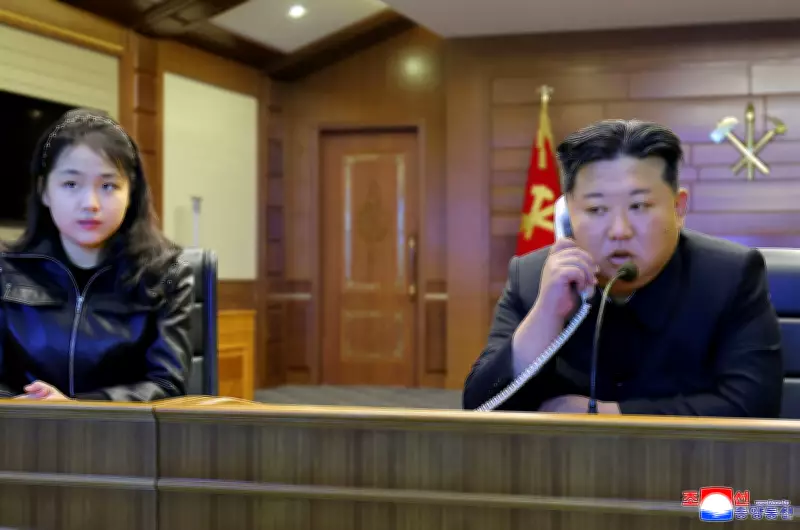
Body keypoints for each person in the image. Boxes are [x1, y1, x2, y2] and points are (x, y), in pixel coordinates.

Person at [463, 119, 784, 418]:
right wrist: (545, 316)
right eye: (596, 209)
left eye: (639, 206)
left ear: (678, 208)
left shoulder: (729, 276)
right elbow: (480, 408)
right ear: (567, 215)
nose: (619, 230)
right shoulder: (532, 278)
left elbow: (754, 406)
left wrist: (609, 414)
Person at [0, 108, 194, 402]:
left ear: (131, 193)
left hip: (121, 431)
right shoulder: (6, 271)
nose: (90, 203)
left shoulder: (166, 275)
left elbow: (167, 385)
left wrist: (78, 408)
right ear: (44, 191)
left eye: (108, 186)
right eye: (71, 184)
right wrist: (28, 410)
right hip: (26, 429)